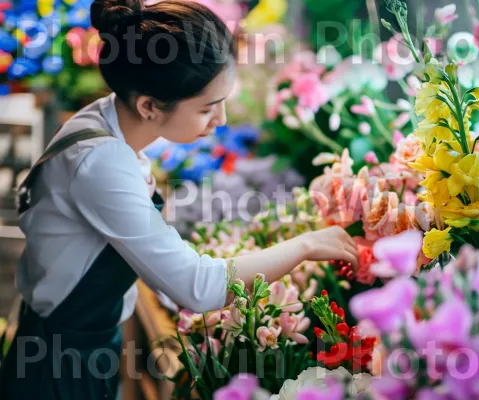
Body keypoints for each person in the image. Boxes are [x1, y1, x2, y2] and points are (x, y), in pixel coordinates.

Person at [0, 0, 359, 398]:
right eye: (208, 108)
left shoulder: (103, 119)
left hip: (74, 343)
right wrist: (306, 244)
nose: (220, 121)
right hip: (56, 368)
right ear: (149, 106)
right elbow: (197, 288)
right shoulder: (101, 164)